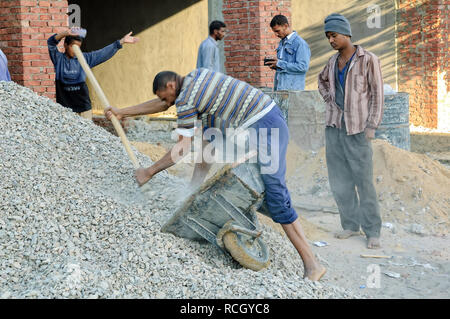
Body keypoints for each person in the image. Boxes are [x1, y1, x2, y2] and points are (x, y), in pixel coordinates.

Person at [105, 68, 327, 281]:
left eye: (166, 98)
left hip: (266, 128)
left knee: (276, 199)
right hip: (265, 122)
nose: (167, 105)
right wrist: (192, 191)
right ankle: (295, 244)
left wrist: (149, 171)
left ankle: (312, 265)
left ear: (171, 85)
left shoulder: (186, 99)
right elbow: (206, 147)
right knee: (267, 196)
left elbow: (182, 148)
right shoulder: (198, 78)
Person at [317, 13, 384, 249]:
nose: (331, 40)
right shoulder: (332, 63)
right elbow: (321, 81)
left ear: (346, 34)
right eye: (328, 37)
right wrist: (329, 99)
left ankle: (372, 231)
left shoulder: (368, 60)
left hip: (357, 130)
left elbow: (377, 94)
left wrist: (372, 126)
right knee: (340, 180)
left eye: (334, 35)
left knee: (363, 181)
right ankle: (350, 225)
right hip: (334, 128)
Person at [47, 27, 139, 120]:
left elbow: (102, 54)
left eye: (78, 47)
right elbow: (51, 42)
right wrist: (65, 33)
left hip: (84, 108)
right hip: (65, 109)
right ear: (65, 45)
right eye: (73, 47)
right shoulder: (58, 59)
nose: (76, 51)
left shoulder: (85, 59)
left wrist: (120, 42)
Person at [265, 15, 310, 91]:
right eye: (274, 32)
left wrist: (279, 64)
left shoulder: (300, 43)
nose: (276, 34)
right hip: (280, 90)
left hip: (293, 93)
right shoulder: (282, 42)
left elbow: (303, 67)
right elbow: (285, 66)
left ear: (285, 26)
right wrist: (276, 65)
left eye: (277, 31)